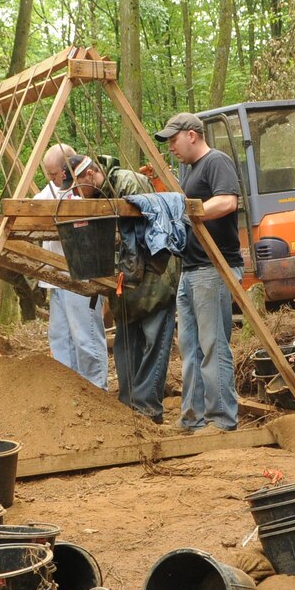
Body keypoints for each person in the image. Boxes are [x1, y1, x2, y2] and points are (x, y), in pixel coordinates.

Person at [77, 149, 181, 422]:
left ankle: (147, 409)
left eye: (77, 185)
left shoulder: (126, 182)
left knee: (155, 344)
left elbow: (142, 238)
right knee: (126, 345)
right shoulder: (100, 193)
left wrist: (126, 275)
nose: (76, 193)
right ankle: (128, 408)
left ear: (90, 174)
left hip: (152, 279)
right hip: (126, 286)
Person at [155, 111, 242, 432]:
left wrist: (194, 211)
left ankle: (222, 419)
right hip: (191, 268)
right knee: (190, 348)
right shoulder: (189, 171)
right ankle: (193, 418)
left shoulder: (216, 161)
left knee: (213, 345)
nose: (171, 148)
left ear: (192, 135)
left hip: (214, 266)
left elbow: (228, 202)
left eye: (173, 140)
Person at [37, 144, 108, 388]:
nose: (52, 179)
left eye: (55, 174)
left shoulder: (81, 191)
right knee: (60, 340)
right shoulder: (53, 189)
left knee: (85, 340)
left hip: (80, 277)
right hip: (56, 278)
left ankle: (96, 393)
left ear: (67, 170)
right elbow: (33, 205)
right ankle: (69, 396)